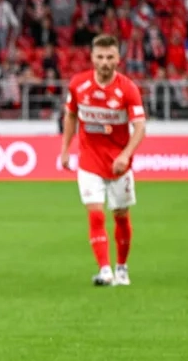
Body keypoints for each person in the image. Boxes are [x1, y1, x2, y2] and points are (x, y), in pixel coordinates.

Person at [59, 34, 146, 286]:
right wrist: (65, 149)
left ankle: (122, 268)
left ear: (118, 59)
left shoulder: (128, 89)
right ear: (92, 58)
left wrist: (125, 155)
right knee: (95, 215)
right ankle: (105, 270)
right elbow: (70, 116)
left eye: (110, 57)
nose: (105, 62)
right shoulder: (78, 84)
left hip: (118, 164)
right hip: (89, 162)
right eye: (100, 57)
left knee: (121, 215)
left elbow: (140, 127)